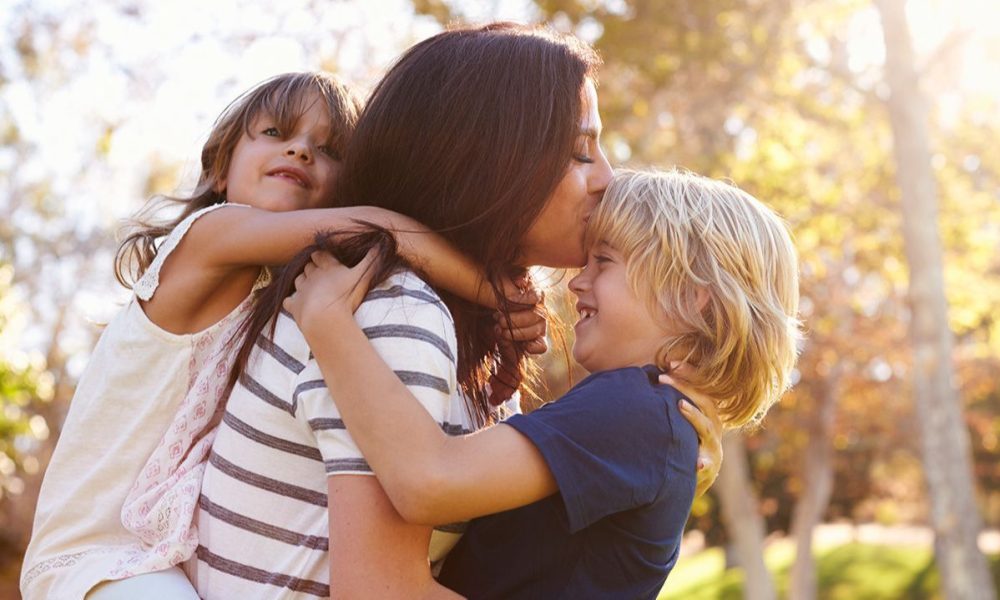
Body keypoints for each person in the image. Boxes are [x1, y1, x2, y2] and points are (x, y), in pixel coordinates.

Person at [187, 24, 725, 599]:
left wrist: (656, 458)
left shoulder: (455, 323)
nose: (606, 179)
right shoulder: (395, 314)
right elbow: (384, 590)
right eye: (578, 151)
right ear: (486, 161)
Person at [19, 71, 515, 600]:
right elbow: (378, 230)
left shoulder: (279, 293)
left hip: (165, 549)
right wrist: (503, 297)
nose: (301, 152)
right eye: (277, 133)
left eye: (327, 151)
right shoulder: (208, 236)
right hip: (96, 556)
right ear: (218, 169)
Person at [287, 168, 801, 598]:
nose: (577, 280)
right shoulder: (653, 419)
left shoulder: (636, 409)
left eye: (605, 261)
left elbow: (428, 481)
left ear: (693, 299)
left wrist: (328, 320)